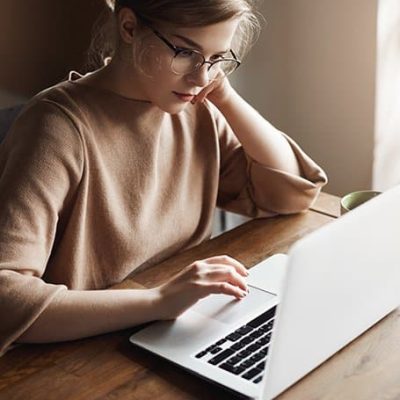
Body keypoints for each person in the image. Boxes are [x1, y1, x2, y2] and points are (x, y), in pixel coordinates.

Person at [0, 0, 327, 355]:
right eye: (186, 52)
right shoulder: (57, 129)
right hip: (86, 355)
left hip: (178, 330)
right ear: (128, 27)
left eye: (218, 58)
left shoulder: (196, 108)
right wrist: (158, 301)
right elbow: (7, 297)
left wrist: (227, 97)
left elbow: (289, 194)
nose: (201, 77)